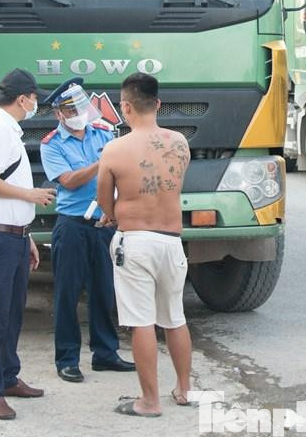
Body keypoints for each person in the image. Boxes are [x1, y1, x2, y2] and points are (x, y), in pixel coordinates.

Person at [97, 73, 194, 418]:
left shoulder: (114, 149)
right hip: (172, 241)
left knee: (142, 322)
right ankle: (184, 389)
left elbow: (104, 201)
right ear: (158, 104)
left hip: (135, 242)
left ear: (124, 106)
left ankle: (149, 401)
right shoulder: (180, 142)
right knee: (175, 317)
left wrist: (111, 216)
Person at [0, 68, 56, 420]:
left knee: (11, 314)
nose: (36, 103)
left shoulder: (9, 130)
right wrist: (31, 195)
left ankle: (7, 377)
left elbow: (6, 189)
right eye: (35, 97)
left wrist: (28, 235)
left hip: (14, 236)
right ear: (23, 99)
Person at [40, 77, 135, 383]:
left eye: (82, 107)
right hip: (72, 226)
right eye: (72, 110)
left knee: (104, 290)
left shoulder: (104, 133)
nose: (79, 114)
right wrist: (100, 163)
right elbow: (67, 181)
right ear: (59, 114)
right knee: (68, 293)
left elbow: (121, 171)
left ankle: (105, 353)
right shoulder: (52, 144)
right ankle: (67, 358)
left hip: (104, 223)